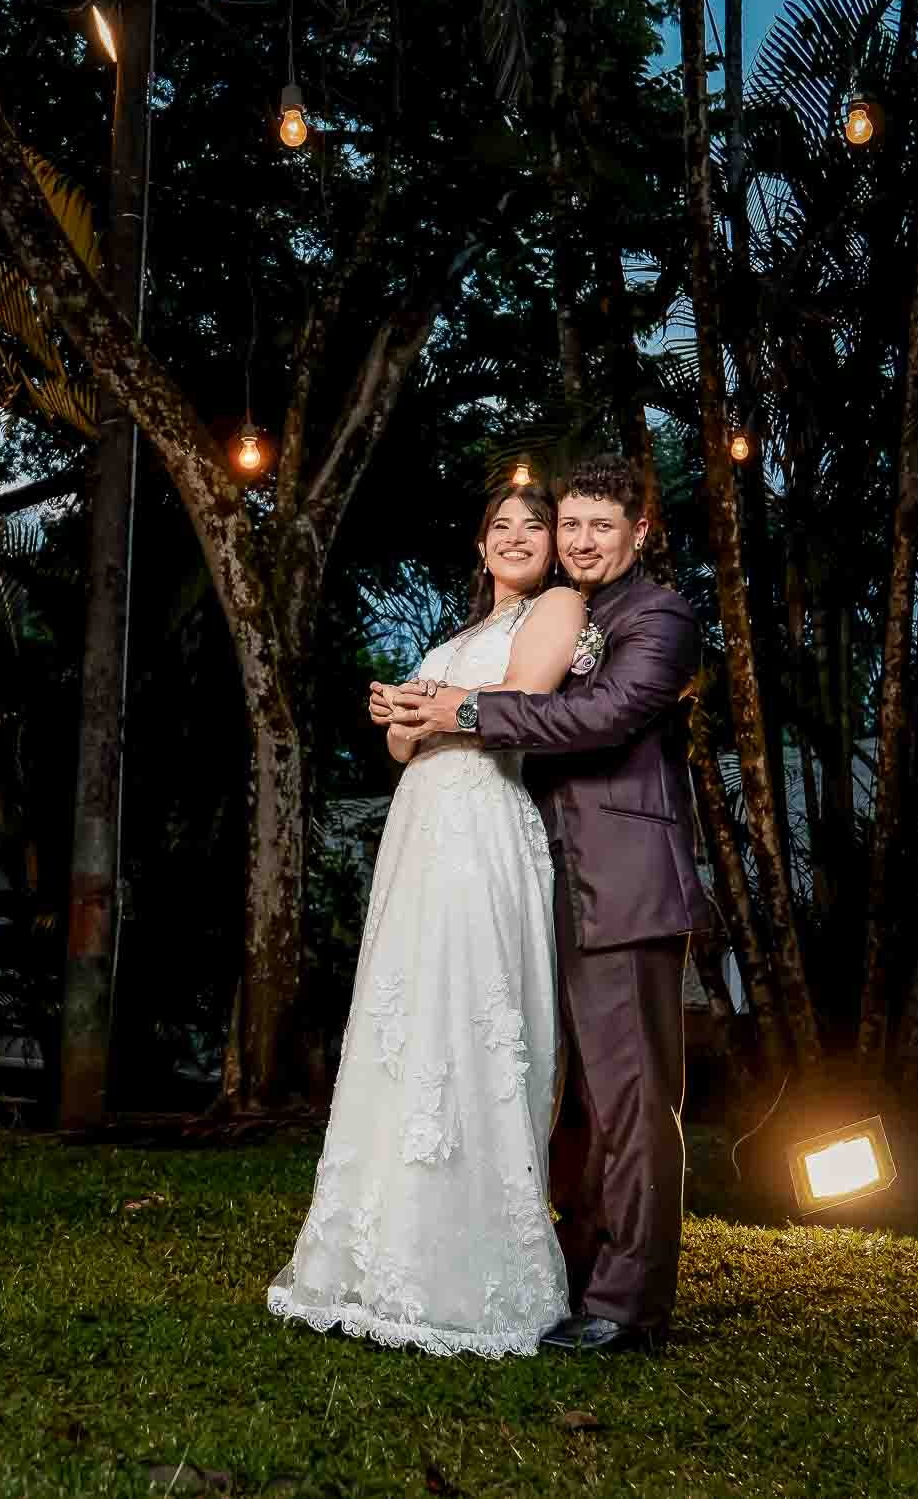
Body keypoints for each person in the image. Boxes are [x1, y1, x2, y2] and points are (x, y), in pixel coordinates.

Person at [386, 456, 706, 1356]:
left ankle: (628, 1306)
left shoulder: (660, 617)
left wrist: (468, 710)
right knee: (566, 1096)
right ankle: (569, 1269)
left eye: (601, 525)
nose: (580, 541)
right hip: (540, 877)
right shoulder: (567, 616)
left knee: (631, 1099)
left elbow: (598, 718)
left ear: (641, 532)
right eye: (572, 526)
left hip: (625, 882)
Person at [265, 482, 586, 1357]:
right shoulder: (452, 638)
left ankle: (479, 1266)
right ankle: (376, 1256)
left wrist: (434, 710)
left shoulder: (557, 607)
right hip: (420, 834)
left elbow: (522, 704)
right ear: (480, 548)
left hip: (484, 821)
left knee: (471, 1019)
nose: (516, 537)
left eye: (533, 526)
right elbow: (403, 741)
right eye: (501, 527)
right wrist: (405, 714)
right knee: (403, 1025)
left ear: (552, 548)